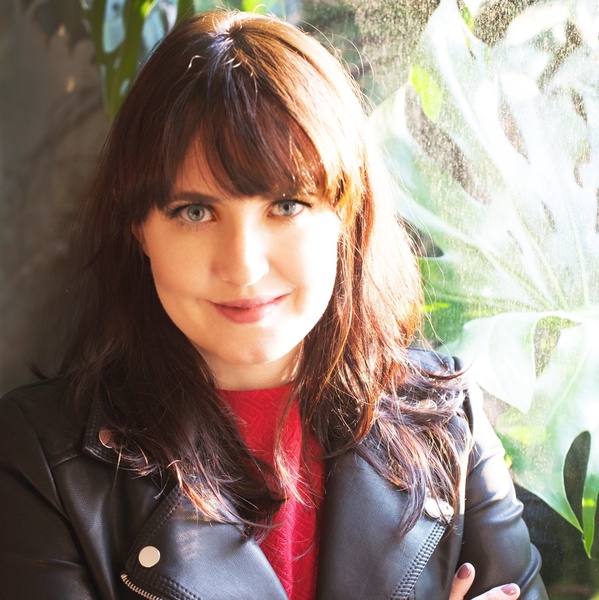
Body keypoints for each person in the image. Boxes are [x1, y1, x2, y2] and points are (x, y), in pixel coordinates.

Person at [0, 10, 547, 600]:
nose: (243, 266)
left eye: (286, 205)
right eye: (194, 212)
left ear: (347, 214)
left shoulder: (447, 422)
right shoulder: (40, 461)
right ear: (139, 229)